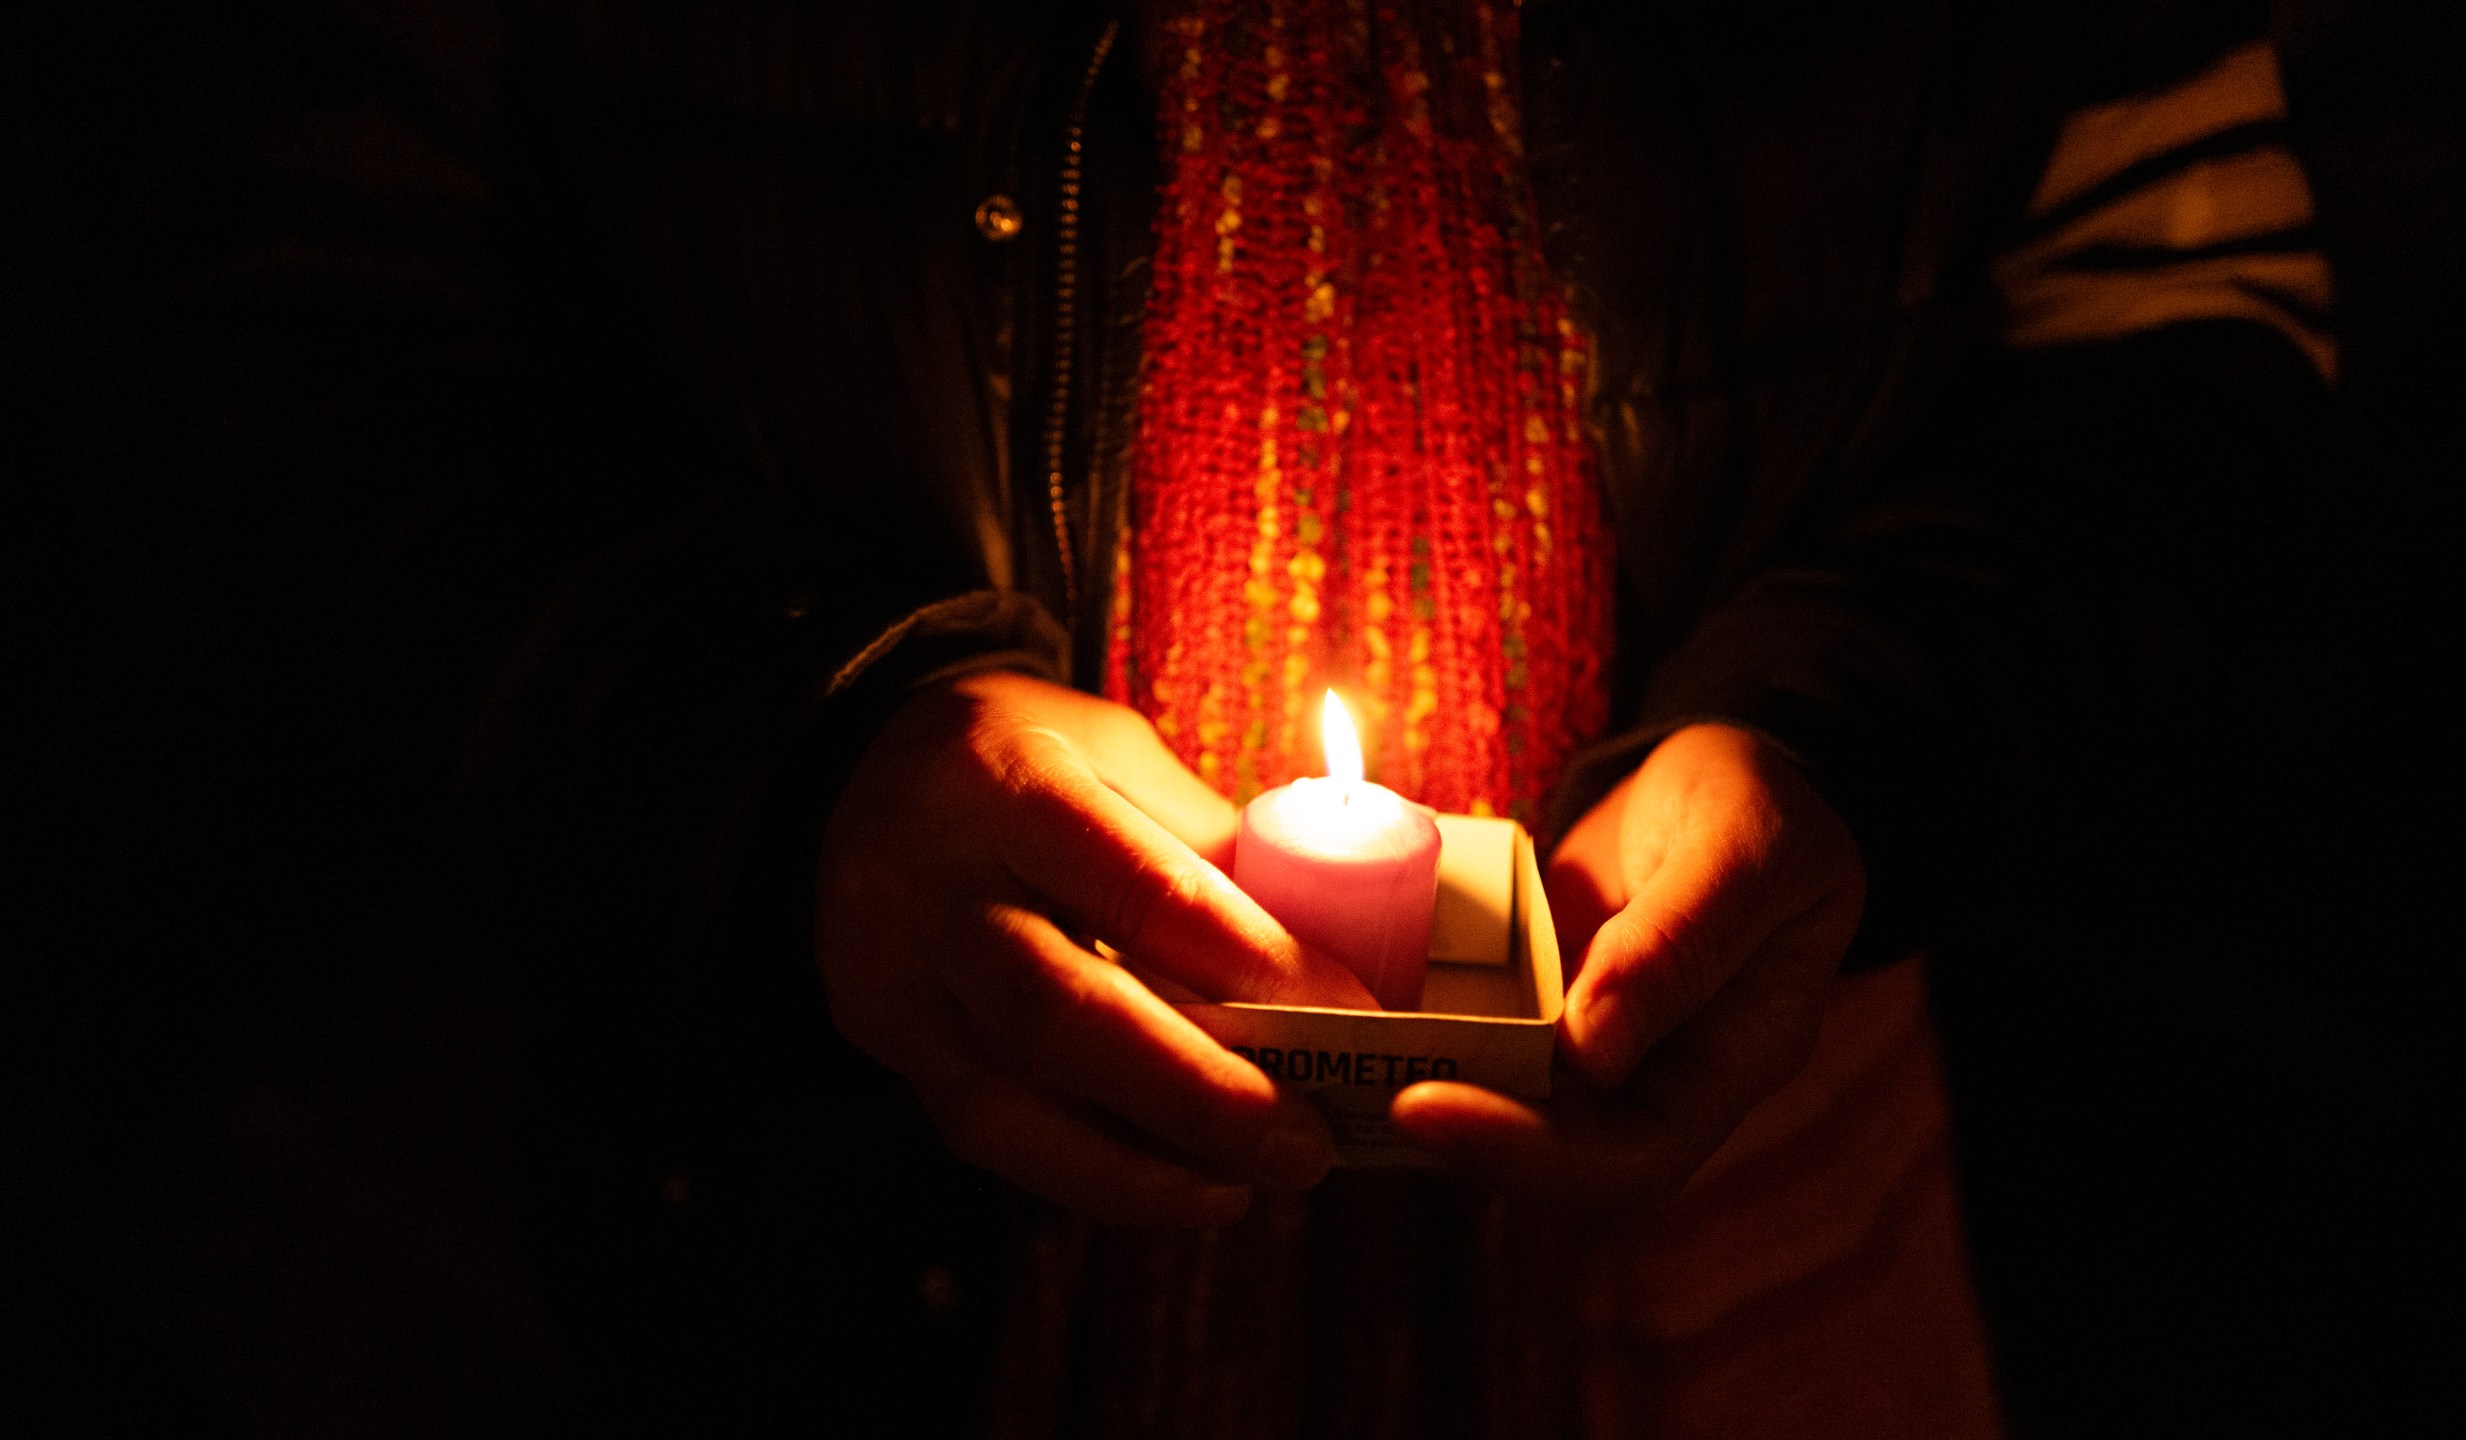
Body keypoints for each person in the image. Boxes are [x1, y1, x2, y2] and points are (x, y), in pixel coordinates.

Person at [14, 0, 2334, 1434]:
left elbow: (2181, 304)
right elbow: (251, 333)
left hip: (1740, 1189)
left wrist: (1855, 743)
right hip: (834, 1233)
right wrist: (791, 776)